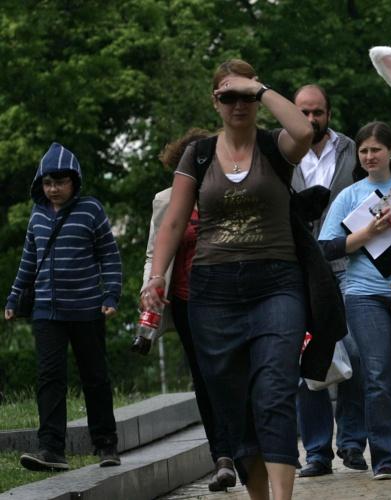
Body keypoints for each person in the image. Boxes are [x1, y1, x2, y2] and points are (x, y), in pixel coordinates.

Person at [140, 58, 313, 500]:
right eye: (228, 95)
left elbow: (305, 131)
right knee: (235, 407)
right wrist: (156, 277)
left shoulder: (276, 146)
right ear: (215, 102)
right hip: (212, 295)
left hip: (276, 284)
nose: (239, 103)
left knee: (273, 391)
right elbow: (174, 222)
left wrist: (260, 86)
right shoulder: (196, 156)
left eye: (246, 96)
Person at [318, 121, 391, 480]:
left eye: (376, 150)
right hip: (363, 294)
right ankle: (385, 458)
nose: (369, 156)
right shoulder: (350, 196)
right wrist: (367, 233)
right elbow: (325, 246)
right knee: (377, 375)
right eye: (363, 150)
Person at [5, 143, 123, 471]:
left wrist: (111, 294)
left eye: (60, 182)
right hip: (46, 311)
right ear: (39, 184)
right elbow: (28, 261)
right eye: (47, 183)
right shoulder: (37, 215)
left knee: (95, 377)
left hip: (86, 309)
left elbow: (109, 256)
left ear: (74, 181)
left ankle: (106, 445)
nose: (54, 189)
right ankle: (51, 449)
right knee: (49, 378)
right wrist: (14, 298)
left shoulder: (91, 210)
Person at [141, 128, 236, 492]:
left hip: (230, 298)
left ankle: (243, 445)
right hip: (186, 302)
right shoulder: (166, 200)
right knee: (205, 377)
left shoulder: (230, 192)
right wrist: (150, 287)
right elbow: (155, 249)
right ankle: (223, 457)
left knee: (232, 375)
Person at [290, 84, 368, 477]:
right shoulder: (280, 154)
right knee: (308, 360)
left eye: (317, 112)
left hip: (347, 266)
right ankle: (317, 452)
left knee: (354, 355)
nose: (310, 119)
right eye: (303, 112)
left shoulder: (353, 150)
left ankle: (352, 443)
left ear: (329, 114)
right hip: (300, 270)